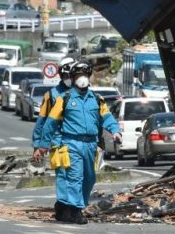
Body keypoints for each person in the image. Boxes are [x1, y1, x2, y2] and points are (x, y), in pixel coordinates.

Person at [41, 61, 121, 224]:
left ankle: (69, 207)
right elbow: (51, 122)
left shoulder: (97, 99)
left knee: (89, 178)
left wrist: (115, 131)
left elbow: (107, 117)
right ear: (73, 78)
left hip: (91, 145)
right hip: (71, 143)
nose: (82, 78)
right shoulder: (64, 98)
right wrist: (43, 144)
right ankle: (76, 210)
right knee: (75, 177)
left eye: (85, 75)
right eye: (78, 75)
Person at [32, 57, 75, 221]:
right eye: (66, 76)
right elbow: (42, 121)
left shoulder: (85, 93)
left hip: (79, 143)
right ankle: (64, 207)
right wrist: (38, 145)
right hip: (58, 142)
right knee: (63, 175)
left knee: (80, 176)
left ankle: (75, 205)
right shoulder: (51, 95)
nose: (69, 79)